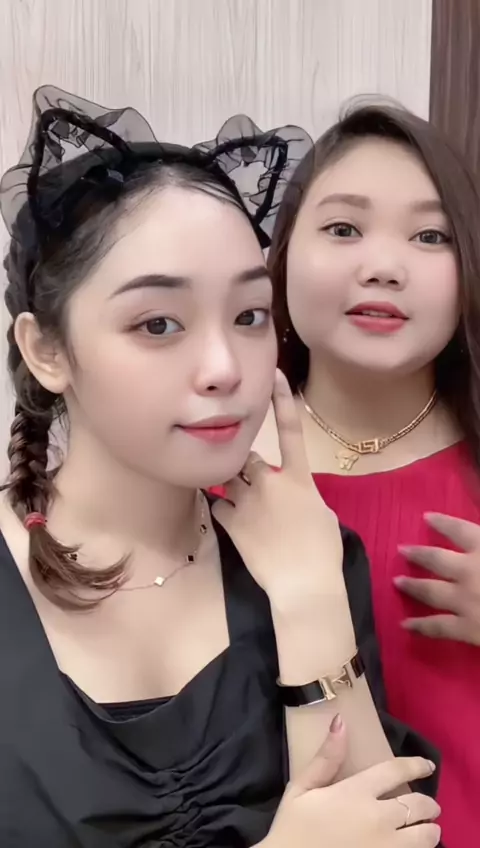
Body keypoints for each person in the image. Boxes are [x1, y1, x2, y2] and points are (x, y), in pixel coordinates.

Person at [0, 86, 440, 848]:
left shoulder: (309, 553)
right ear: (46, 350)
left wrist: (310, 598)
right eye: (158, 323)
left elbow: (392, 831)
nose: (224, 368)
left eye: (249, 316)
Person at [254, 99, 480, 847]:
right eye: (344, 229)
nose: (382, 266)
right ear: (283, 255)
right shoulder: (216, 469)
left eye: (430, 235)